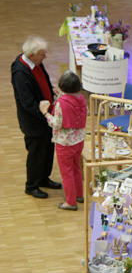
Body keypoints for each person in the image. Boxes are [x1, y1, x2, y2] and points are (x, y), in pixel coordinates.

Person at [11, 35, 62, 198]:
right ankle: (31, 185)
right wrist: (46, 115)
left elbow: (42, 81)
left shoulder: (36, 63)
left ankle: (43, 179)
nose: (45, 57)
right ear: (32, 55)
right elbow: (28, 103)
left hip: (46, 117)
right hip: (35, 121)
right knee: (36, 154)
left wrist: (50, 88)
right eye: (42, 54)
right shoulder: (21, 72)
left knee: (47, 150)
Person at [40, 70, 87, 210]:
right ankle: (79, 195)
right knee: (76, 168)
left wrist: (45, 112)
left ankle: (71, 202)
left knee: (67, 173)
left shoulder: (61, 103)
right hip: (79, 140)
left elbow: (56, 123)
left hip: (65, 143)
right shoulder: (81, 98)